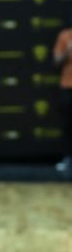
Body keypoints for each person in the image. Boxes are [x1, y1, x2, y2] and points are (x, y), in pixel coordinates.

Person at [53, 16, 72, 172]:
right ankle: (68, 159)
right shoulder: (64, 35)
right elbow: (56, 61)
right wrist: (68, 51)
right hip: (67, 87)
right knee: (68, 125)